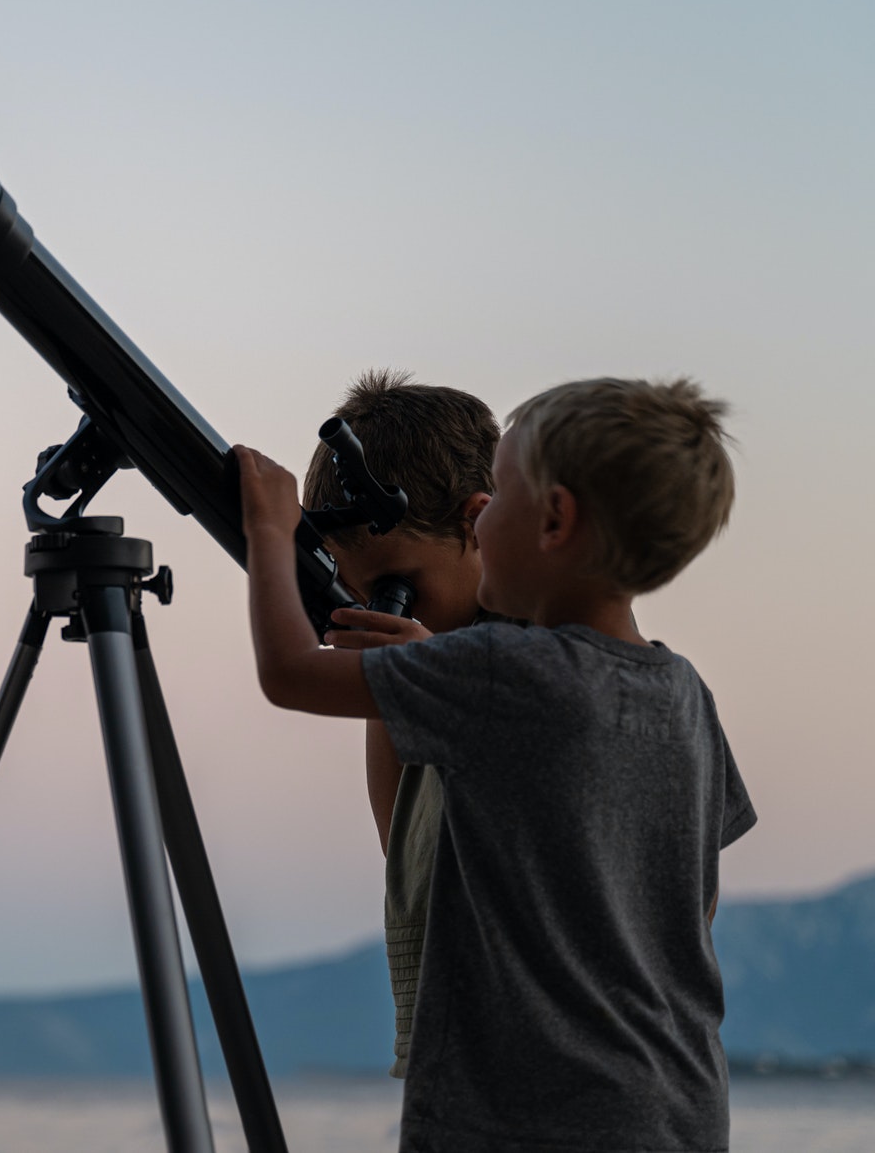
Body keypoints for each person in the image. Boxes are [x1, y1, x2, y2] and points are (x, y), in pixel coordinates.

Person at [235, 377, 754, 1153]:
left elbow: (288, 671)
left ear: (554, 518)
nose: (482, 514)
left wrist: (269, 533)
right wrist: (418, 682)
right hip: (675, 1106)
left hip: (517, 1114)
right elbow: (683, 908)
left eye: (496, 497)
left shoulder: (500, 676)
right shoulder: (684, 694)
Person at [299, 371, 499, 1079]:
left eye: (399, 584)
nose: (384, 610)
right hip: (451, 1065)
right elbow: (403, 854)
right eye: (360, 594)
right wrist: (396, 684)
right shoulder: (433, 676)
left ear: (478, 524)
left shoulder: (537, 666)